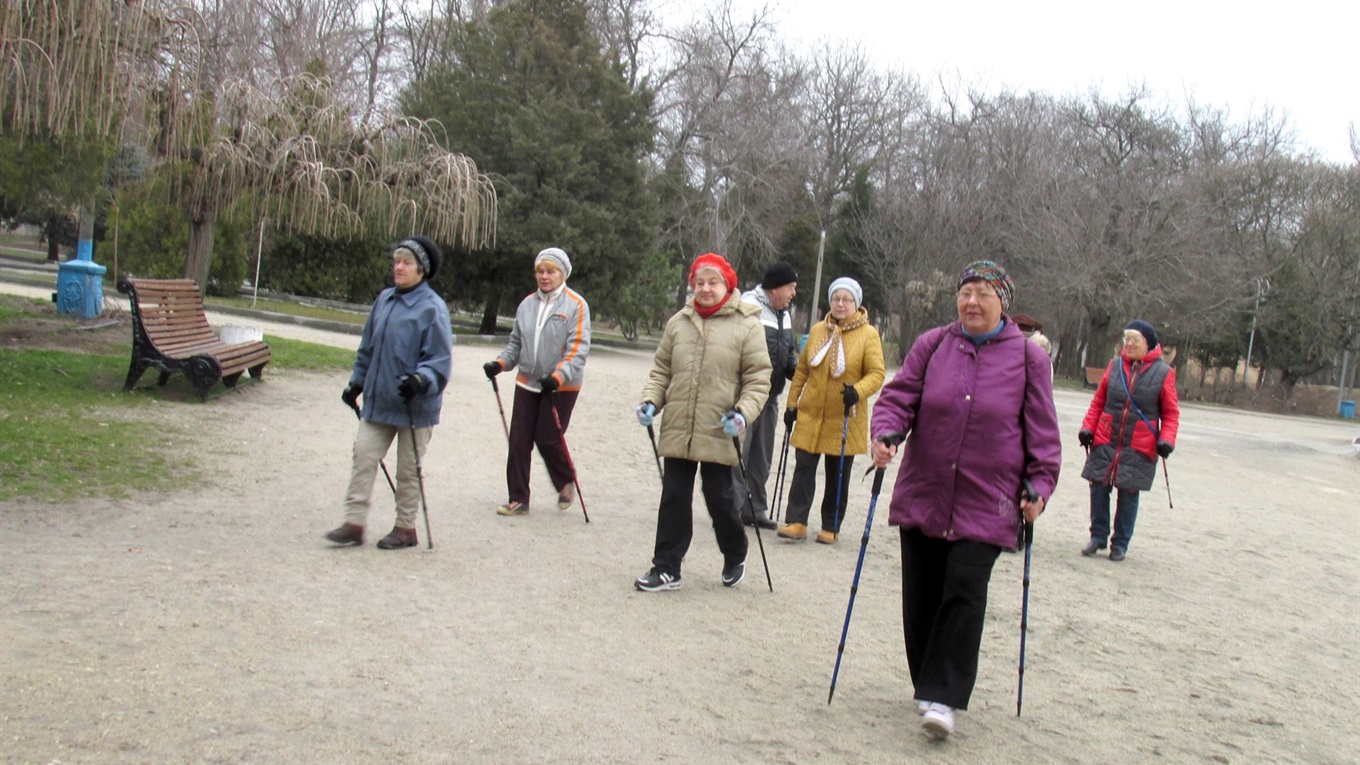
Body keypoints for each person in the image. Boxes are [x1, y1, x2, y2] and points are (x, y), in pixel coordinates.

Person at [868, 260, 1061, 740]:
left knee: (964, 590)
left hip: (989, 500)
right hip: (926, 490)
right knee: (922, 594)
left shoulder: (1028, 359)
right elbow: (899, 397)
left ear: (1003, 303)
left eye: (983, 294)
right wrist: (887, 431)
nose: (972, 302)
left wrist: (1040, 485)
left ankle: (945, 695)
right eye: (966, 293)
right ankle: (926, 684)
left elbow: (1042, 432)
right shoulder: (933, 345)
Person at [633, 252, 772, 592]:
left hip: (720, 427)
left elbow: (758, 379)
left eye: (713, 282)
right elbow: (662, 370)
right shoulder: (678, 322)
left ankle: (735, 550)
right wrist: (651, 400)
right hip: (680, 424)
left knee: (721, 500)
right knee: (675, 497)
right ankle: (666, 567)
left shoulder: (748, 324)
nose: (705, 288)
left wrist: (742, 413)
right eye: (699, 282)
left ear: (727, 285)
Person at [326, 236, 453, 550]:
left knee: (408, 470)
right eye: (396, 261)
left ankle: (405, 528)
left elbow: (439, 359)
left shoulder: (432, 309)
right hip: (379, 399)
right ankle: (354, 523)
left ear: (421, 270)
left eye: (406, 262)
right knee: (363, 455)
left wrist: (421, 380)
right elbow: (367, 347)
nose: (399, 267)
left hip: (414, 405)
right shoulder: (384, 299)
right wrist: (357, 382)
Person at [776, 277, 885, 544]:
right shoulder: (817, 331)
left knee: (838, 472)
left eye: (846, 299)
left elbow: (877, 373)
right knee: (803, 467)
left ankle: (830, 525)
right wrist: (792, 405)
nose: (840, 304)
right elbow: (802, 370)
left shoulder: (868, 334)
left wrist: (857, 391)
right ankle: (797, 521)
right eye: (836, 299)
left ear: (856, 304)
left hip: (845, 415)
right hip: (812, 412)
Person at [483, 247, 591, 516]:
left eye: (550, 271)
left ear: (562, 273)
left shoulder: (576, 304)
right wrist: (500, 364)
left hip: (560, 385)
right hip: (528, 381)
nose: (544, 276)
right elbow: (516, 345)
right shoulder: (526, 304)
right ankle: (518, 498)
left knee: (548, 437)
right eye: (540, 271)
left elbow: (578, 349)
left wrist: (557, 376)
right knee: (519, 441)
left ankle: (565, 479)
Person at [1078, 319, 1180, 562]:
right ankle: (1098, 536)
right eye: (1127, 339)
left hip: (1139, 443)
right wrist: (1087, 427)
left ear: (1149, 343)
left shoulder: (1163, 373)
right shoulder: (1114, 367)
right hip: (1106, 437)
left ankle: (1120, 543)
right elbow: (1098, 402)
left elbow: (1171, 413)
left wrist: (1166, 440)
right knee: (1098, 486)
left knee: (1129, 493)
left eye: (1135, 339)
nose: (1129, 344)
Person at [732, 261, 799, 531]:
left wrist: (794, 368)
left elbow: (788, 349)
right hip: (746, 394)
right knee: (738, 455)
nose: (794, 293)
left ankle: (755, 508)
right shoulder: (749, 306)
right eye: (791, 287)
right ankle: (733, 509)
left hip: (771, 396)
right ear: (776, 287)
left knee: (762, 457)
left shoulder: (784, 313)